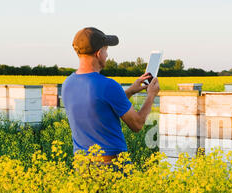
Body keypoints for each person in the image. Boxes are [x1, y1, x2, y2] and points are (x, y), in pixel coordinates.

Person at [62, 27, 160, 174]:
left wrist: (130, 91)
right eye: (106, 50)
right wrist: (151, 95)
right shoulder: (108, 85)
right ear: (99, 53)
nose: (107, 55)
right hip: (111, 167)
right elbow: (137, 124)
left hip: (82, 166)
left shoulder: (67, 84)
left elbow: (99, 106)